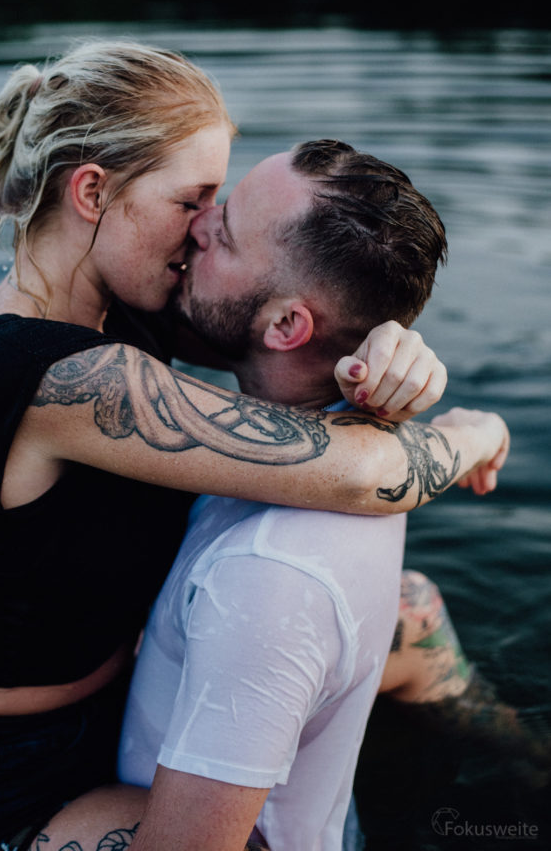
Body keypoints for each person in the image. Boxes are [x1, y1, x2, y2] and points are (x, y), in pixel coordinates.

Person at [0, 42, 507, 851]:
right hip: (1, 781)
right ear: (93, 192)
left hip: (114, 702)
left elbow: (281, 326)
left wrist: (396, 350)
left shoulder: (124, 307)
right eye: (193, 201)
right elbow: (364, 475)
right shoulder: (41, 375)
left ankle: (521, 768)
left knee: (412, 611)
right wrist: (475, 432)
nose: (199, 233)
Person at [37, 140, 511, 851]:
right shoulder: (345, 434)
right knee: (411, 604)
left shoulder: (265, 578)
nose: (196, 224)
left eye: (223, 233)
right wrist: (471, 427)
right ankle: (523, 760)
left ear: (287, 326)